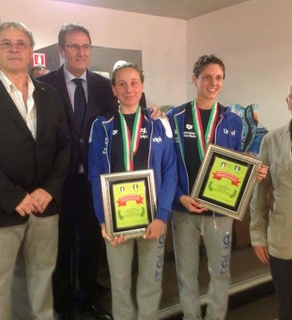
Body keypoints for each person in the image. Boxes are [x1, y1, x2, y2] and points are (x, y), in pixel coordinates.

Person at [39, 23, 161, 320]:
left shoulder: (103, 83)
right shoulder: (45, 85)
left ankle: (89, 295)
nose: (80, 52)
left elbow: (132, 109)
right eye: (73, 46)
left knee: (92, 240)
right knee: (62, 242)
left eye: (85, 46)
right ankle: (63, 302)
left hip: (100, 181)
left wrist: (154, 112)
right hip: (60, 179)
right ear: (61, 50)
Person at [0, 21, 70, 320]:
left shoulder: (49, 93)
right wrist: (14, 196)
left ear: (31, 50)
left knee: (42, 275)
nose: (14, 49)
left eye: (21, 43)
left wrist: (48, 190)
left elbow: (64, 146)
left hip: (44, 206)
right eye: (6, 43)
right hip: (1, 205)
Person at [88, 62, 177, 320]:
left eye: (134, 82)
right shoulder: (101, 126)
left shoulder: (161, 124)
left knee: (151, 281)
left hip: (153, 219)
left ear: (142, 86)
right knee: (120, 283)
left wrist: (163, 216)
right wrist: (103, 219)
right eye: (122, 83)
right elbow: (95, 175)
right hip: (117, 219)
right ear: (113, 89)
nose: (129, 89)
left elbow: (170, 171)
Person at [168, 54, 242, 320]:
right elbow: (167, 164)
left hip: (219, 213)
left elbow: (237, 164)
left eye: (219, 77)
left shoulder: (233, 120)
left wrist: (252, 173)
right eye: (207, 77)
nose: (213, 83)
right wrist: (180, 196)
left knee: (219, 272)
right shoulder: (174, 117)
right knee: (185, 272)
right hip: (183, 209)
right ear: (194, 79)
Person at [250, 83, 292, 320]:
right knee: (286, 306)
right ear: (288, 102)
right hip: (282, 239)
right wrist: (257, 236)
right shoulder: (272, 140)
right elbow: (260, 191)